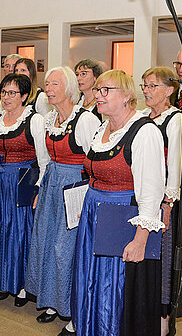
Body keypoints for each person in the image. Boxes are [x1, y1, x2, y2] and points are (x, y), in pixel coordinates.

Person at [71, 70, 165, 336]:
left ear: (126, 96)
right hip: (95, 218)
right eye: (97, 90)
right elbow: (93, 175)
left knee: (114, 288)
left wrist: (140, 239)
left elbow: (151, 191)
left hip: (123, 219)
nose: (98, 96)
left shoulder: (144, 132)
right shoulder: (103, 127)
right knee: (92, 283)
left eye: (105, 91)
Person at [25, 67, 100, 327]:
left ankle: (71, 310)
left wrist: (89, 199)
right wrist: (39, 189)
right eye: (47, 84)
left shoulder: (85, 120)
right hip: (51, 186)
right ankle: (51, 301)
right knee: (46, 243)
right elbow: (44, 161)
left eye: (54, 83)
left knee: (65, 250)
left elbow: (95, 161)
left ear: (68, 89)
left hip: (76, 189)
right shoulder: (49, 119)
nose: (48, 88)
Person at [0, 73, 50, 307]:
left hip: (22, 182)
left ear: (25, 96)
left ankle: (20, 286)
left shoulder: (35, 121)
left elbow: (44, 160)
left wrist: (38, 189)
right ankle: (3, 281)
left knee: (19, 234)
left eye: (12, 93)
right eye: (4, 92)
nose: (7, 97)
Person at [140, 66, 182, 336]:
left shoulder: (175, 119)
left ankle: (164, 322)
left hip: (164, 203)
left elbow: (176, 165)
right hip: (143, 197)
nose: (146, 90)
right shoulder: (143, 117)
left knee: (163, 261)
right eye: (144, 85)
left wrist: (167, 203)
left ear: (169, 90)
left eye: (152, 86)